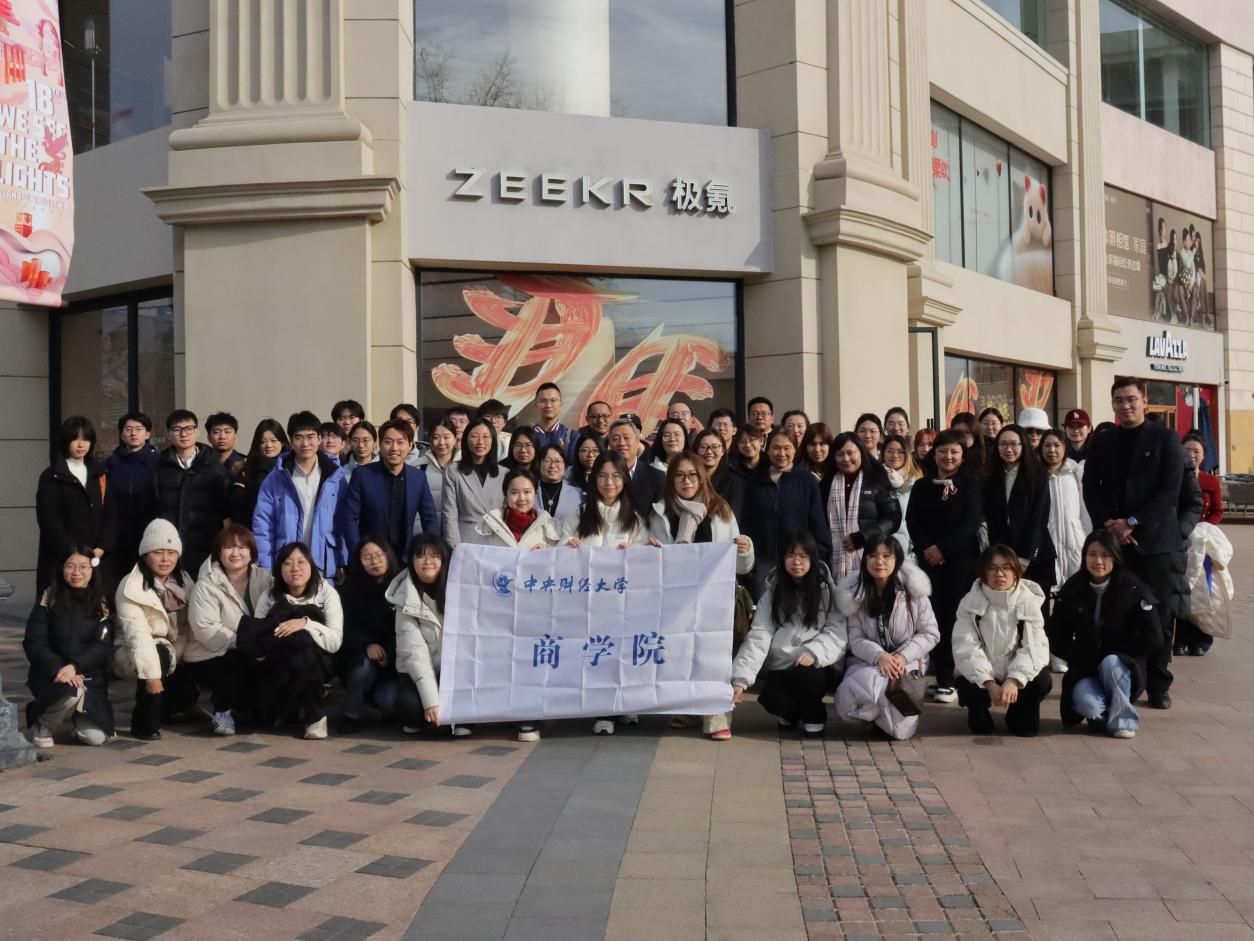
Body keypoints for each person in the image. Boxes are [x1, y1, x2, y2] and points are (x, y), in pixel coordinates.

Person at [1083, 378, 1186, 709]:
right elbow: (1090, 486)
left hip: (1155, 544)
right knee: (1116, 614)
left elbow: (1170, 490)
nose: (1125, 406)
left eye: (1131, 399)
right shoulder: (1103, 441)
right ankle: (1122, 679)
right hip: (1114, 544)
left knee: (1158, 615)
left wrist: (1133, 522)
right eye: (1118, 400)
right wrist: (1109, 524)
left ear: (1144, 400)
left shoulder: (1166, 439)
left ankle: (1158, 682)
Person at [646, 454, 755, 740]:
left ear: (702, 477)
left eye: (692, 475)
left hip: (715, 597)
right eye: (680, 475)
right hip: (677, 598)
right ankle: (689, 707)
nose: (687, 481)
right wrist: (651, 550)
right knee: (682, 654)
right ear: (671, 479)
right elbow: (654, 561)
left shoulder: (720, 510)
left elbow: (742, 565)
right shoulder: (660, 512)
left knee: (714, 656)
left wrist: (745, 549)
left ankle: (717, 715)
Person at [563, 451, 648, 736]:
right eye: (602, 476)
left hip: (622, 601)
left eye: (615, 476)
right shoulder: (579, 514)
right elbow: (560, 546)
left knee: (622, 653)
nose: (609, 483)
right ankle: (603, 710)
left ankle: (623, 703)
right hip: (588, 602)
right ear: (593, 479)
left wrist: (636, 553)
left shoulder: (634, 519)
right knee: (598, 654)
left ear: (625, 480)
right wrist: (567, 545)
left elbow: (646, 558)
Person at [1048, 530, 1161, 739]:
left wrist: (1119, 653)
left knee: (1111, 663)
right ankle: (1104, 714)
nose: (1098, 561)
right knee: (1087, 704)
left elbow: (1153, 637)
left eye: (1105, 555)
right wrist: (1079, 654)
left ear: (1115, 557)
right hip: (1087, 668)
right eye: (1092, 554)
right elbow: (1055, 635)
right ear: (1084, 557)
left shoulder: (1133, 588)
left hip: (1122, 667)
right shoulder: (1073, 588)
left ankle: (1123, 721)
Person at [731, 533, 846, 737]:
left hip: (818, 664)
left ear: (812, 558)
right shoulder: (773, 590)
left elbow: (836, 631)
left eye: (803, 556)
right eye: (790, 555)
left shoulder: (826, 589)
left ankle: (814, 716)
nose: (796, 562)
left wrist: (814, 652)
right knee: (771, 699)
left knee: (806, 677)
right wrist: (740, 679)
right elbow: (760, 634)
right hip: (783, 662)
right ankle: (792, 713)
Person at [834, 535, 938, 740]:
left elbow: (930, 633)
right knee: (860, 693)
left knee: (900, 732)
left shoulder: (913, 590)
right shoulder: (856, 593)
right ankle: (878, 712)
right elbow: (855, 638)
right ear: (865, 560)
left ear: (897, 559)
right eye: (873, 555)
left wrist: (901, 657)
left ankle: (882, 715)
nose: (879, 562)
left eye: (886, 556)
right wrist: (879, 656)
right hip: (867, 663)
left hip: (905, 664)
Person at [906, 430, 982, 704]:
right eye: (942, 451)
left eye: (954, 452)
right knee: (931, 618)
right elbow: (912, 520)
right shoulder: (921, 485)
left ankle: (952, 680)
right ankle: (940, 676)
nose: (948, 456)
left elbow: (971, 523)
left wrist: (943, 549)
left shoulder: (971, 486)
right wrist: (927, 548)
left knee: (955, 619)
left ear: (962, 456)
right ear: (934, 453)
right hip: (929, 564)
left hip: (960, 564)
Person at [242, 541, 343, 739]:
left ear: (311, 565)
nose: (295, 568)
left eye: (301, 562)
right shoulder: (269, 596)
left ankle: (313, 718)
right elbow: (258, 639)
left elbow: (334, 641)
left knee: (304, 644)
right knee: (297, 650)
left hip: (319, 660)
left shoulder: (326, 593)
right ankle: (312, 717)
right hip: (280, 662)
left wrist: (305, 623)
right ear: (279, 569)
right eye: (287, 563)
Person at [952, 545, 1052, 736]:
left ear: (1016, 572)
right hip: (984, 673)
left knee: (1041, 682)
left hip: (1014, 671)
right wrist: (988, 682)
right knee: (978, 719)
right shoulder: (969, 603)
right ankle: (980, 712)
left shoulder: (1029, 602)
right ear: (983, 572)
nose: (1000, 574)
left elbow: (1035, 648)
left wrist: (1014, 679)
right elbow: (965, 647)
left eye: (1006, 568)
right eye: (992, 568)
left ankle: (1017, 712)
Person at [114, 519, 198, 740]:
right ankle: (144, 723)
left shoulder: (184, 581)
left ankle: (170, 707)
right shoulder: (131, 585)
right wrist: (153, 678)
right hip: (134, 651)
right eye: (158, 552)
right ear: (145, 554)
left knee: (188, 687)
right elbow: (137, 636)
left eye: (171, 552)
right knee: (157, 658)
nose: (165, 559)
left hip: (176, 648)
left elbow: (190, 626)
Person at [24, 545, 115, 747]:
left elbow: (102, 646)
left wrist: (75, 666)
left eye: (83, 567)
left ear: (92, 570)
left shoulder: (101, 603)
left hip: (89, 677)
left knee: (95, 738)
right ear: (61, 568)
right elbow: (34, 642)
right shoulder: (49, 598)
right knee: (71, 691)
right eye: (70, 566)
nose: (76, 573)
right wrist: (60, 669)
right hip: (53, 675)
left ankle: (76, 713)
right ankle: (45, 722)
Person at [185, 525, 272, 736]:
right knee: (232, 660)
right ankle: (222, 713)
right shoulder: (205, 585)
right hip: (209, 653)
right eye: (228, 547)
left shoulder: (266, 580)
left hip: (252, 650)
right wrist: (246, 644)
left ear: (252, 552)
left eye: (242, 547)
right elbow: (206, 630)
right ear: (219, 552)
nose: (235, 553)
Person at [337, 537, 422, 735]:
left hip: (394, 660)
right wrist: (367, 645)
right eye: (367, 558)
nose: (374, 562)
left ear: (388, 555)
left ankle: (378, 701)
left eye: (378, 555)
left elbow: (409, 626)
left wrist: (388, 650)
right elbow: (344, 627)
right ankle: (351, 715)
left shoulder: (404, 586)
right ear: (359, 561)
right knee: (363, 667)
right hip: (360, 656)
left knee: (389, 701)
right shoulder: (351, 589)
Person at [252, 411, 347, 578]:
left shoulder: (335, 476)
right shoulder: (276, 478)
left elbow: (343, 522)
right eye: (299, 437)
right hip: (287, 564)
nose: (305, 443)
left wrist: (342, 561)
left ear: (319, 439)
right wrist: (265, 567)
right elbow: (263, 525)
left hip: (323, 563)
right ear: (290, 441)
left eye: (311, 437)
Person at [387, 533, 464, 736]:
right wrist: (431, 702)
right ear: (411, 561)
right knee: (412, 713)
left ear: (444, 560)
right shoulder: (403, 597)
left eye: (434, 555)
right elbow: (415, 654)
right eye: (420, 555)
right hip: (416, 670)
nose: (427, 561)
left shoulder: (460, 589)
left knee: (461, 722)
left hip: (453, 670)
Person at [743, 429, 832, 595]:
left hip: (799, 559)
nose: (782, 453)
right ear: (767, 450)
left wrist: (819, 556)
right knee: (766, 604)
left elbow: (818, 522)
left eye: (787, 448)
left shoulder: (807, 481)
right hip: (764, 559)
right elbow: (746, 521)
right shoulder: (755, 480)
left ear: (795, 450)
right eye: (776, 448)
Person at [36, 416, 116, 598]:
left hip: (96, 558)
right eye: (75, 439)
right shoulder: (51, 476)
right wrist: (73, 552)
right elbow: (48, 519)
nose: (81, 445)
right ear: (65, 441)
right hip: (62, 559)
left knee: (96, 606)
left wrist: (102, 547)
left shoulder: (100, 474)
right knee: (60, 606)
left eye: (86, 439)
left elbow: (111, 516)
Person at [338, 419, 439, 562]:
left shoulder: (418, 478)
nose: (394, 448)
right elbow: (349, 517)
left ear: (410, 446)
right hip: (371, 558)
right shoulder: (362, 475)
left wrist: (429, 550)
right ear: (380, 445)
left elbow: (429, 518)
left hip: (405, 558)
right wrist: (359, 552)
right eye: (388, 442)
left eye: (400, 442)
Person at [153, 409, 231, 575]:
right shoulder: (157, 468)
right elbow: (150, 509)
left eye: (189, 429)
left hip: (206, 548)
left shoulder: (215, 469)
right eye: (177, 430)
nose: (183, 434)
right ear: (169, 434)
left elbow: (225, 513)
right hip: (168, 549)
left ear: (197, 432)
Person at [985, 424, 1054, 592]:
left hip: (1034, 555)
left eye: (1014, 444)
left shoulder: (1038, 475)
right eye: (1003, 444)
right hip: (1002, 559)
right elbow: (992, 520)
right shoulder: (989, 476)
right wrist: (999, 556)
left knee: (1034, 606)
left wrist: (1024, 558)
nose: (1008, 449)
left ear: (1023, 445)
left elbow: (1038, 519)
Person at [825, 432, 901, 580]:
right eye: (839, 454)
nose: (845, 459)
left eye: (850, 453)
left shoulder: (877, 479)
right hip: (833, 560)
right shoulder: (826, 484)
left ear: (861, 452)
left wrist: (863, 537)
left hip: (871, 558)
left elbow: (893, 517)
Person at [1175, 433, 1223, 656]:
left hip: (1203, 542)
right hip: (1179, 538)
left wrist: (1204, 529)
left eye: (1196, 451)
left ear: (1204, 456)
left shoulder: (1210, 481)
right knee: (1181, 588)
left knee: (1203, 590)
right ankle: (1180, 638)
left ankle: (1201, 638)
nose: (1191, 455)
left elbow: (1217, 511)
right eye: (1187, 450)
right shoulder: (1174, 477)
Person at [105, 412, 160, 577]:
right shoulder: (109, 465)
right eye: (128, 429)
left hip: (149, 534)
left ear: (147, 434)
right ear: (122, 435)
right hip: (117, 537)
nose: (133, 433)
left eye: (139, 429)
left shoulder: (159, 464)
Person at [441, 417, 506, 547]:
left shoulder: (505, 473)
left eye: (486, 436)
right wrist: (456, 547)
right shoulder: (453, 471)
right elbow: (449, 515)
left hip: (497, 540)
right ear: (466, 440)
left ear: (493, 440)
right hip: (466, 540)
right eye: (474, 436)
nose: (480, 442)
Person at [1039, 429, 1091, 591]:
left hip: (1075, 541)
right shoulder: (1036, 475)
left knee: (1076, 590)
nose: (1052, 450)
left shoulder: (1075, 473)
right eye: (1047, 445)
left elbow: (1085, 510)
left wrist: (1087, 537)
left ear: (1065, 447)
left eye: (1056, 445)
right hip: (1047, 542)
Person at [474, 467, 562, 550]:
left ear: (535, 495)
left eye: (527, 492)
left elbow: (558, 556)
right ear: (505, 495)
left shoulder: (548, 526)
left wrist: (547, 551)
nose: (521, 498)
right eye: (514, 492)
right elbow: (478, 557)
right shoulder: (489, 524)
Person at [228, 418, 288, 527]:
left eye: (273, 441)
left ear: (282, 442)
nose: (268, 445)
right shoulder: (246, 471)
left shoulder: (292, 468)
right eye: (263, 442)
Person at [608, 418, 663, 511]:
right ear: (609, 444)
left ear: (638, 441)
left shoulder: (656, 477)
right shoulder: (600, 475)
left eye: (626, 437)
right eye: (615, 439)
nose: (621, 443)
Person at [880, 434, 921, 557]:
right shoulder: (875, 480)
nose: (895, 455)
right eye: (890, 451)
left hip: (912, 544)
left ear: (907, 454)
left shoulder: (917, 481)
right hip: (883, 544)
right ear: (883, 454)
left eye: (900, 451)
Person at [693, 428, 744, 523]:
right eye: (703, 447)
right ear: (696, 450)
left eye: (715, 447)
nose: (709, 451)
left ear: (723, 451)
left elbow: (733, 516)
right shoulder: (689, 477)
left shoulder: (734, 480)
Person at [423, 420, 458, 531]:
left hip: (457, 532)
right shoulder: (418, 466)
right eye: (436, 437)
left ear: (455, 439)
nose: (441, 442)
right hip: (427, 531)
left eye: (446, 437)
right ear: (430, 441)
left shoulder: (465, 467)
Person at [536, 445, 583, 524]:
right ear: (539, 464)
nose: (552, 465)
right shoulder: (530, 489)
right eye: (547, 461)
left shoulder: (577, 493)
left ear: (565, 466)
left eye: (557, 461)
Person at [532, 382, 574, 454]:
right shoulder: (528, 436)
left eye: (553, 400)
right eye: (543, 401)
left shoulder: (570, 436)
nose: (548, 405)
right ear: (536, 405)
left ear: (561, 404)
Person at [800, 422, 835, 486]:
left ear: (830, 445)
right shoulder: (798, 473)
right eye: (812, 444)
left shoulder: (838, 470)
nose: (817, 450)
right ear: (805, 446)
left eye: (822, 444)